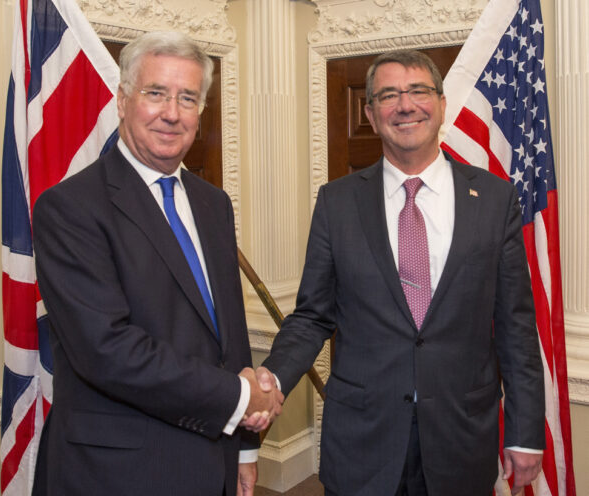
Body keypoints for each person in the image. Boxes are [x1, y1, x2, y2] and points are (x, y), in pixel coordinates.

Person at [258, 50, 545, 496]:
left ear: (441, 104)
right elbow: (313, 315)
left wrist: (525, 430)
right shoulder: (337, 202)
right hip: (363, 438)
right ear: (371, 114)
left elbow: (516, 326)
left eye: (418, 91)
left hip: (461, 436)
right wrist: (272, 377)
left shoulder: (493, 199)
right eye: (389, 95)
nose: (405, 105)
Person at [31, 31, 282, 496]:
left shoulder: (213, 204)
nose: (171, 113)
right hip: (117, 471)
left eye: (188, 98)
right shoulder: (69, 208)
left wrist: (246, 445)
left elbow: (229, 332)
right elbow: (106, 349)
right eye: (156, 94)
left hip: (214, 453)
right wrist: (243, 398)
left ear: (201, 112)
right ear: (122, 100)